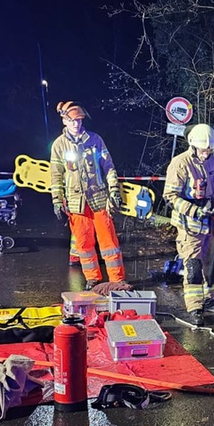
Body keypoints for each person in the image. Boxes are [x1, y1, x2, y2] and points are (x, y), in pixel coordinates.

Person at [50, 101, 126, 290]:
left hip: (99, 200)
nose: (77, 124)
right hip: (76, 203)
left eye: (79, 120)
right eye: (73, 121)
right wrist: (57, 200)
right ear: (65, 121)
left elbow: (108, 167)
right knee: (84, 245)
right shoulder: (59, 145)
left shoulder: (95, 139)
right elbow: (56, 175)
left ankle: (117, 280)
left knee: (109, 242)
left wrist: (114, 190)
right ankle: (93, 278)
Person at [163, 123, 214, 327]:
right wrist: (194, 210)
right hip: (188, 225)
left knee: (210, 265)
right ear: (193, 145)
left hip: (209, 224)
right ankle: (195, 308)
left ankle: (208, 299)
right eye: (202, 149)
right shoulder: (180, 163)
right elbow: (170, 196)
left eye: (209, 149)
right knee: (193, 266)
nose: (205, 153)